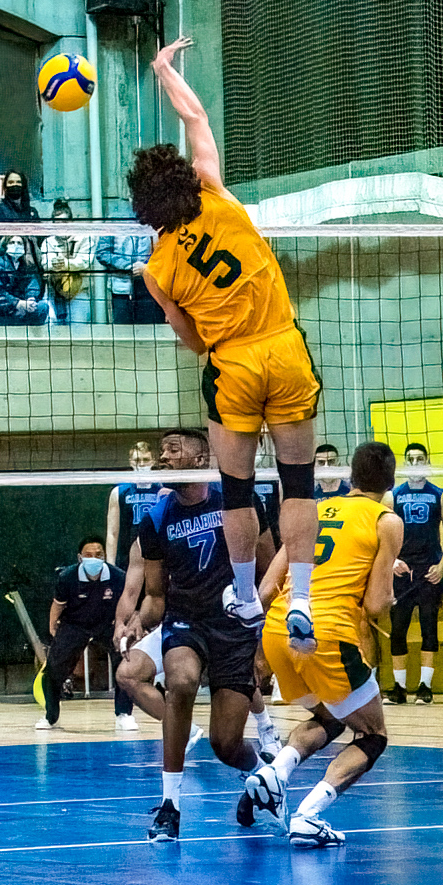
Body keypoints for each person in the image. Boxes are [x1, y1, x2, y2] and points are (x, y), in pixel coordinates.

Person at [130, 37, 325, 661]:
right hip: (284, 348)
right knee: (298, 484)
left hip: (231, 363)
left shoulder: (157, 268)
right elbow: (196, 118)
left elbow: (190, 339)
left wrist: (173, 302)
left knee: (236, 492)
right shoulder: (216, 193)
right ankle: (302, 599)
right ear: (185, 178)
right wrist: (163, 68)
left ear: (143, 210)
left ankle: (244, 593)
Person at [111, 426, 279, 842]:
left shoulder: (238, 502)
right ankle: (171, 805)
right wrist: (137, 621)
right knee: (181, 682)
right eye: (161, 451)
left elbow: (270, 570)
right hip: (186, 621)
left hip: (235, 626)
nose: (162, 458)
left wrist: (264, 637)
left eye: (172, 450)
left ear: (201, 457)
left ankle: (262, 776)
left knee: (226, 745)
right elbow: (155, 594)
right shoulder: (155, 519)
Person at [245, 441, 401, 848]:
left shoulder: (312, 509)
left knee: (332, 717)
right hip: (327, 634)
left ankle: (276, 771)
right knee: (372, 735)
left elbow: (265, 588)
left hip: (280, 628)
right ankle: (308, 816)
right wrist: (388, 591)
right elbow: (377, 604)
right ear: (390, 481)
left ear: (350, 476)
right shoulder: (386, 520)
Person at [36, 536, 133, 731]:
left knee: (125, 662)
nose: (94, 558)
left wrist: (123, 626)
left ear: (105, 556)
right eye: (89, 555)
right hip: (74, 624)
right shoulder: (67, 577)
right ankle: (50, 717)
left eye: (98, 555)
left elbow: (128, 602)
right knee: (54, 667)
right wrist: (52, 627)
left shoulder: (118, 576)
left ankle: (124, 714)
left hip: (108, 624)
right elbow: (57, 605)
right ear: (80, 557)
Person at [384, 442, 443, 706]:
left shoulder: (440, 495)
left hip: (429, 571)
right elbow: (383, 536)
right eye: (410, 459)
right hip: (402, 571)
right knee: (398, 628)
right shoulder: (393, 496)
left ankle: (425, 687)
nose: (415, 463)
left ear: (427, 461)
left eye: (420, 458)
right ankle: (399, 688)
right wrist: (392, 561)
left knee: (429, 627)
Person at [104, 441, 163, 572]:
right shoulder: (119, 492)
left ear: (153, 461)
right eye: (137, 460)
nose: (141, 464)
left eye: (146, 459)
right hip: (127, 557)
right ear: (131, 462)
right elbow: (112, 533)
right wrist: (110, 566)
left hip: (157, 554)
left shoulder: (162, 489)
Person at [40, 200, 95, 325]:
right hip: (54, 292)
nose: (61, 225)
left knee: (79, 329)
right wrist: (55, 263)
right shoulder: (48, 242)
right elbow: (45, 263)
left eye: (64, 222)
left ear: (71, 222)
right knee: (52, 329)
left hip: (79, 292)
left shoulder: (84, 238)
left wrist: (64, 263)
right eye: (57, 223)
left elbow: (85, 261)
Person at [96, 228, 161, 325]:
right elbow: (102, 253)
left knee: (149, 332)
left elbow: (162, 254)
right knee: (122, 333)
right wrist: (128, 266)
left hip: (149, 289)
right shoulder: (113, 222)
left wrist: (147, 267)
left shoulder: (151, 222)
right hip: (122, 291)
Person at [0, 235, 48, 325]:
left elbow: (32, 283)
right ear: (6, 246)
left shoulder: (26, 266)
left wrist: (31, 298)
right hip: (1, 311)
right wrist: (17, 303)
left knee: (42, 307)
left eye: (19, 243)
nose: (16, 245)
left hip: (23, 308)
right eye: (12, 242)